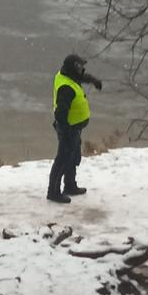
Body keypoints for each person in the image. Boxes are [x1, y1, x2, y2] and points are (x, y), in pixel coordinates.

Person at [48, 53, 102, 203]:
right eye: (80, 68)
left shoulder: (67, 75)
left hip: (74, 127)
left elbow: (81, 78)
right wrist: (64, 131)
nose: (83, 71)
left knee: (73, 157)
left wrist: (94, 81)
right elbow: (60, 112)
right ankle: (53, 192)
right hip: (68, 128)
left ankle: (70, 185)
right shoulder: (66, 88)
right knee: (63, 160)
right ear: (74, 70)